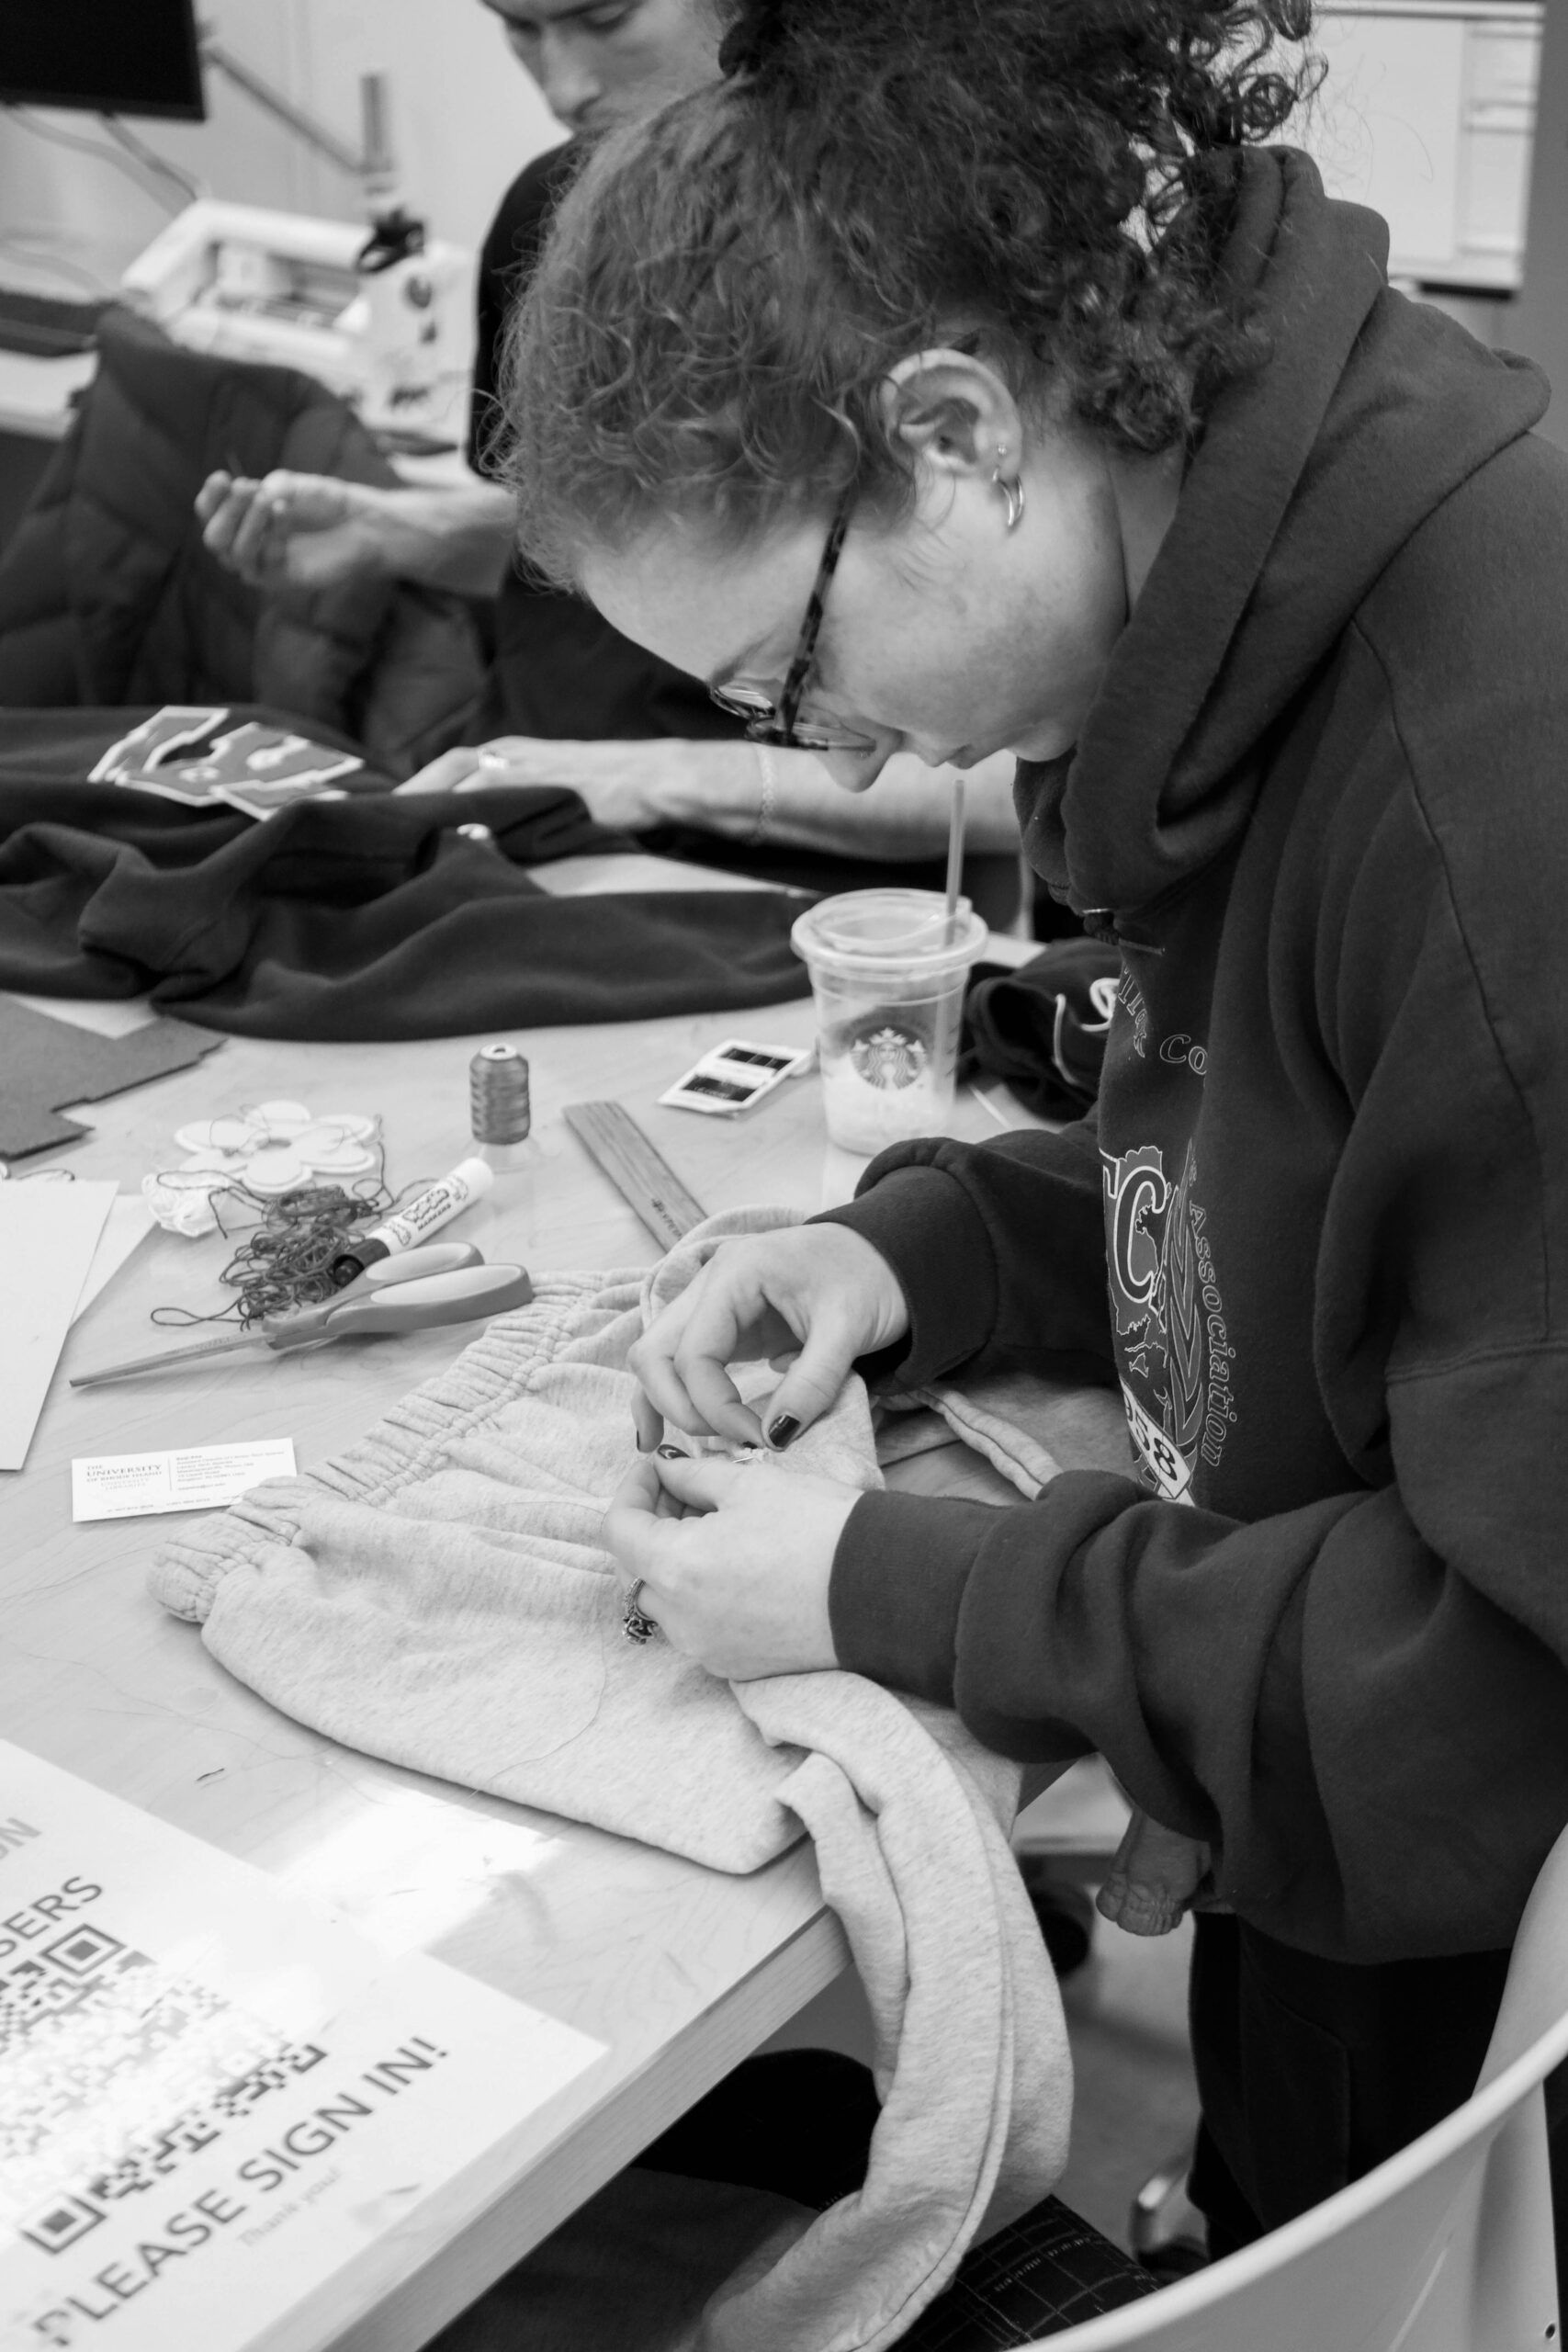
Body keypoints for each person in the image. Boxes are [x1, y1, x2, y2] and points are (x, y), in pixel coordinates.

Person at [498, 0, 1568, 2271]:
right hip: (1331, 1941)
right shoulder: (1237, 648)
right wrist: (939, 1247)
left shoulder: (1492, 783)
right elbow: (1303, 1167)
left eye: (795, 674)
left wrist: (903, 1586)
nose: (855, 760)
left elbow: (1498, 1695)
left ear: (957, 433)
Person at [190, 0, 1025, 893]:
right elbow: (661, 556)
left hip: (795, 889)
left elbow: (1017, 771)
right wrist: (409, 536)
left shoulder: (931, 239)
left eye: (605, 17)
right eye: (518, 28)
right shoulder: (548, 228)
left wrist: (651, 778)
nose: (564, 87)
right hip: (530, 809)